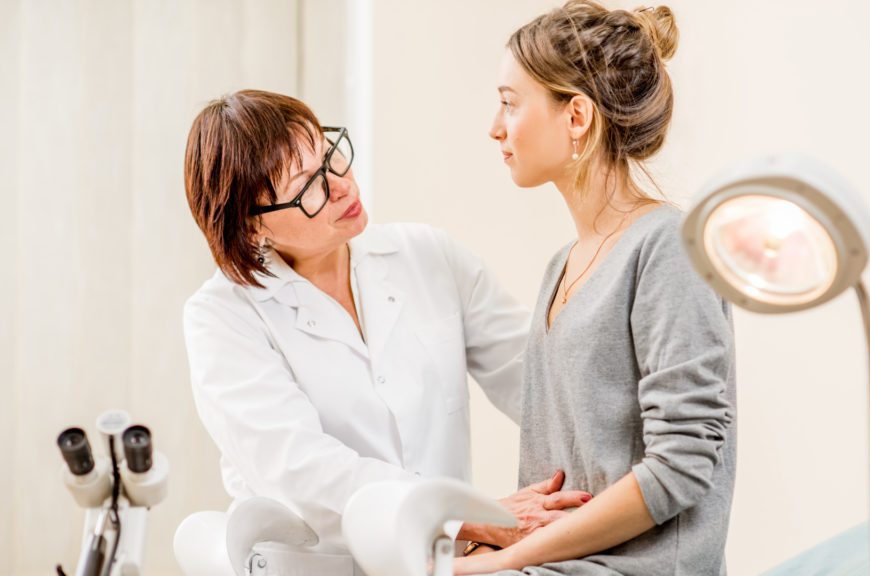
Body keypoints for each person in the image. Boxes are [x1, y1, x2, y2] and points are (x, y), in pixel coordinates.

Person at [181, 90, 589, 569]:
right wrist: (472, 518)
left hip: (444, 564)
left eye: (330, 154)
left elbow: (541, 386)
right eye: (307, 184)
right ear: (253, 228)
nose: (341, 185)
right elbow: (303, 471)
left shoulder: (427, 256)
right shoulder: (223, 317)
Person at [456, 3, 738, 575]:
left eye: (510, 103)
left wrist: (496, 565)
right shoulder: (563, 264)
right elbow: (548, 484)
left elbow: (681, 465)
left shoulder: (670, 245)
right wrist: (491, 548)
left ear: (576, 116)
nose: (495, 127)